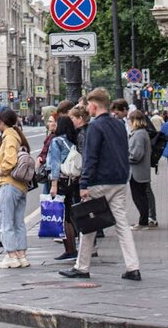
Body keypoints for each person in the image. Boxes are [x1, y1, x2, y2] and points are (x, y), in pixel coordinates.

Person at [60, 88, 142, 282]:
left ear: (94, 106)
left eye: (88, 105)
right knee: (122, 225)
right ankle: (133, 267)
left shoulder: (95, 127)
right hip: (119, 181)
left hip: (99, 181)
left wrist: (84, 184)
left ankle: (82, 267)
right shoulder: (119, 125)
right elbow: (123, 151)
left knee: (89, 223)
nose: (87, 108)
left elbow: (91, 157)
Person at [48, 109, 88, 261]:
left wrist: (53, 184)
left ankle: (70, 249)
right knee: (69, 214)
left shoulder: (56, 141)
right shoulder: (72, 140)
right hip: (72, 181)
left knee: (63, 217)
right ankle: (72, 248)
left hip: (62, 182)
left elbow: (55, 164)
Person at [0, 108, 31, 269]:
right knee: (18, 221)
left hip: (9, 183)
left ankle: (10, 256)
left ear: (1, 121)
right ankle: (21, 256)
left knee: (5, 220)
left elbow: (10, 159)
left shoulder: (8, 136)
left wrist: (0, 174)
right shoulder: (17, 135)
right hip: (20, 186)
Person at [127, 109, 153, 229]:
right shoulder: (140, 133)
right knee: (140, 196)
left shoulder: (139, 134)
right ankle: (143, 220)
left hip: (137, 172)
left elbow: (136, 155)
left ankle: (143, 222)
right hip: (139, 172)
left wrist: (124, 156)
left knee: (139, 197)